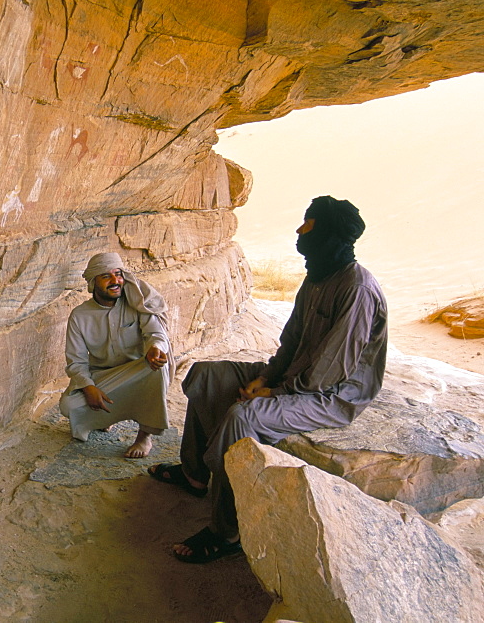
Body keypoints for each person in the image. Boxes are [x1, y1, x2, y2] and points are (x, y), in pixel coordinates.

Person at [150, 195, 387, 563]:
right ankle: (195, 475)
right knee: (207, 375)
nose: (299, 230)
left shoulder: (356, 289)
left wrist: (274, 392)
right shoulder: (318, 276)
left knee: (242, 418)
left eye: (307, 223)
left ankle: (227, 531)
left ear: (324, 231)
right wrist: (265, 377)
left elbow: (329, 369)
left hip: (332, 395)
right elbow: (292, 341)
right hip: (295, 378)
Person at [60, 252, 172, 458]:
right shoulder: (80, 315)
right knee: (69, 405)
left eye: (118, 274)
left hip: (137, 372)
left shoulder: (136, 304)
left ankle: (145, 435)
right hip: (104, 377)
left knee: (158, 367)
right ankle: (107, 418)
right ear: (94, 282)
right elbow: (76, 361)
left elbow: (155, 333)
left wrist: (155, 347)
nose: (115, 281)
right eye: (106, 276)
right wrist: (88, 386)